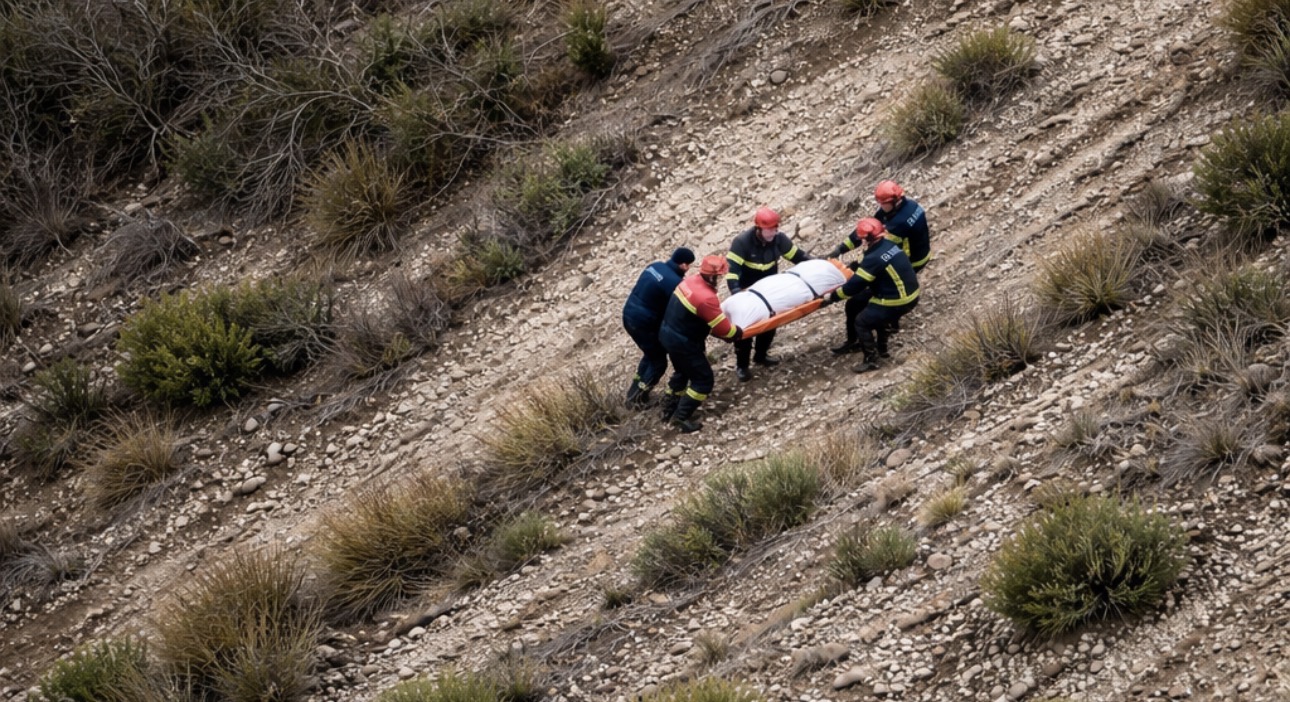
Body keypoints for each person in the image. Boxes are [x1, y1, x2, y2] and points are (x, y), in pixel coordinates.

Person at [825, 181, 929, 354]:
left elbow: (874, 255)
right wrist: (841, 250)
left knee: (876, 293)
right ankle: (886, 324)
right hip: (906, 256)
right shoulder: (906, 205)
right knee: (874, 292)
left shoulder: (899, 224)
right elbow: (872, 228)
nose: (880, 207)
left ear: (895, 201)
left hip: (911, 261)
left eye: (883, 204)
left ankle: (884, 326)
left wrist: (834, 296)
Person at [819, 218, 919, 373]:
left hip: (897, 300)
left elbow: (854, 286)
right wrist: (851, 267)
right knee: (854, 305)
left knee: (862, 321)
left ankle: (871, 359)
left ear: (866, 239)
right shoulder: (887, 245)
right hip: (904, 292)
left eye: (861, 239)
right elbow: (863, 264)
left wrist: (831, 298)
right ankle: (856, 342)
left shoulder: (874, 257)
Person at [725, 206, 813, 381]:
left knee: (770, 325)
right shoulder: (742, 243)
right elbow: (732, 273)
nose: (774, 231)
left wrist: (817, 263)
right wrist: (737, 293)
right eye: (770, 229)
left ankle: (761, 355)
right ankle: (742, 365)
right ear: (759, 228)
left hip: (770, 291)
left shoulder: (779, 240)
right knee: (745, 331)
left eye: (776, 228)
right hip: (747, 291)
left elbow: (798, 257)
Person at [658, 255, 742, 433]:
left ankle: (668, 408)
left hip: (668, 334)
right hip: (684, 343)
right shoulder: (706, 298)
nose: (721, 279)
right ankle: (681, 417)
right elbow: (725, 331)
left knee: (682, 371)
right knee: (703, 380)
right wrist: (738, 332)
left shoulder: (689, 282)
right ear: (711, 276)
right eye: (720, 276)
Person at [622, 247, 695, 408]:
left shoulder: (655, 266)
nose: (688, 268)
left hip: (628, 315)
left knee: (650, 354)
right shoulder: (675, 283)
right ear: (683, 265)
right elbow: (679, 309)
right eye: (688, 265)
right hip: (644, 322)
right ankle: (637, 398)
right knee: (658, 362)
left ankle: (633, 391)